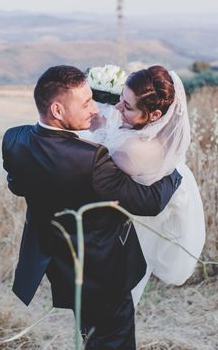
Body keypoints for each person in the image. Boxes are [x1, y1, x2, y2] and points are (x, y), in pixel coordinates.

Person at [2, 65, 182, 350]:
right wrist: (174, 167)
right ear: (58, 110)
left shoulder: (14, 139)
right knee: (113, 340)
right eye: (86, 103)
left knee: (91, 334)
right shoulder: (91, 161)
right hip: (104, 273)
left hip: (60, 265)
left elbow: (17, 185)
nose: (95, 110)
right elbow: (149, 202)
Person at [83, 65, 205, 305]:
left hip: (128, 227)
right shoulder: (150, 131)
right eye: (121, 99)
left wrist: (95, 129)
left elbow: (96, 172)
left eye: (127, 106)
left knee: (114, 297)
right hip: (129, 216)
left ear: (154, 115)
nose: (118, 108)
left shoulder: (132, 151)